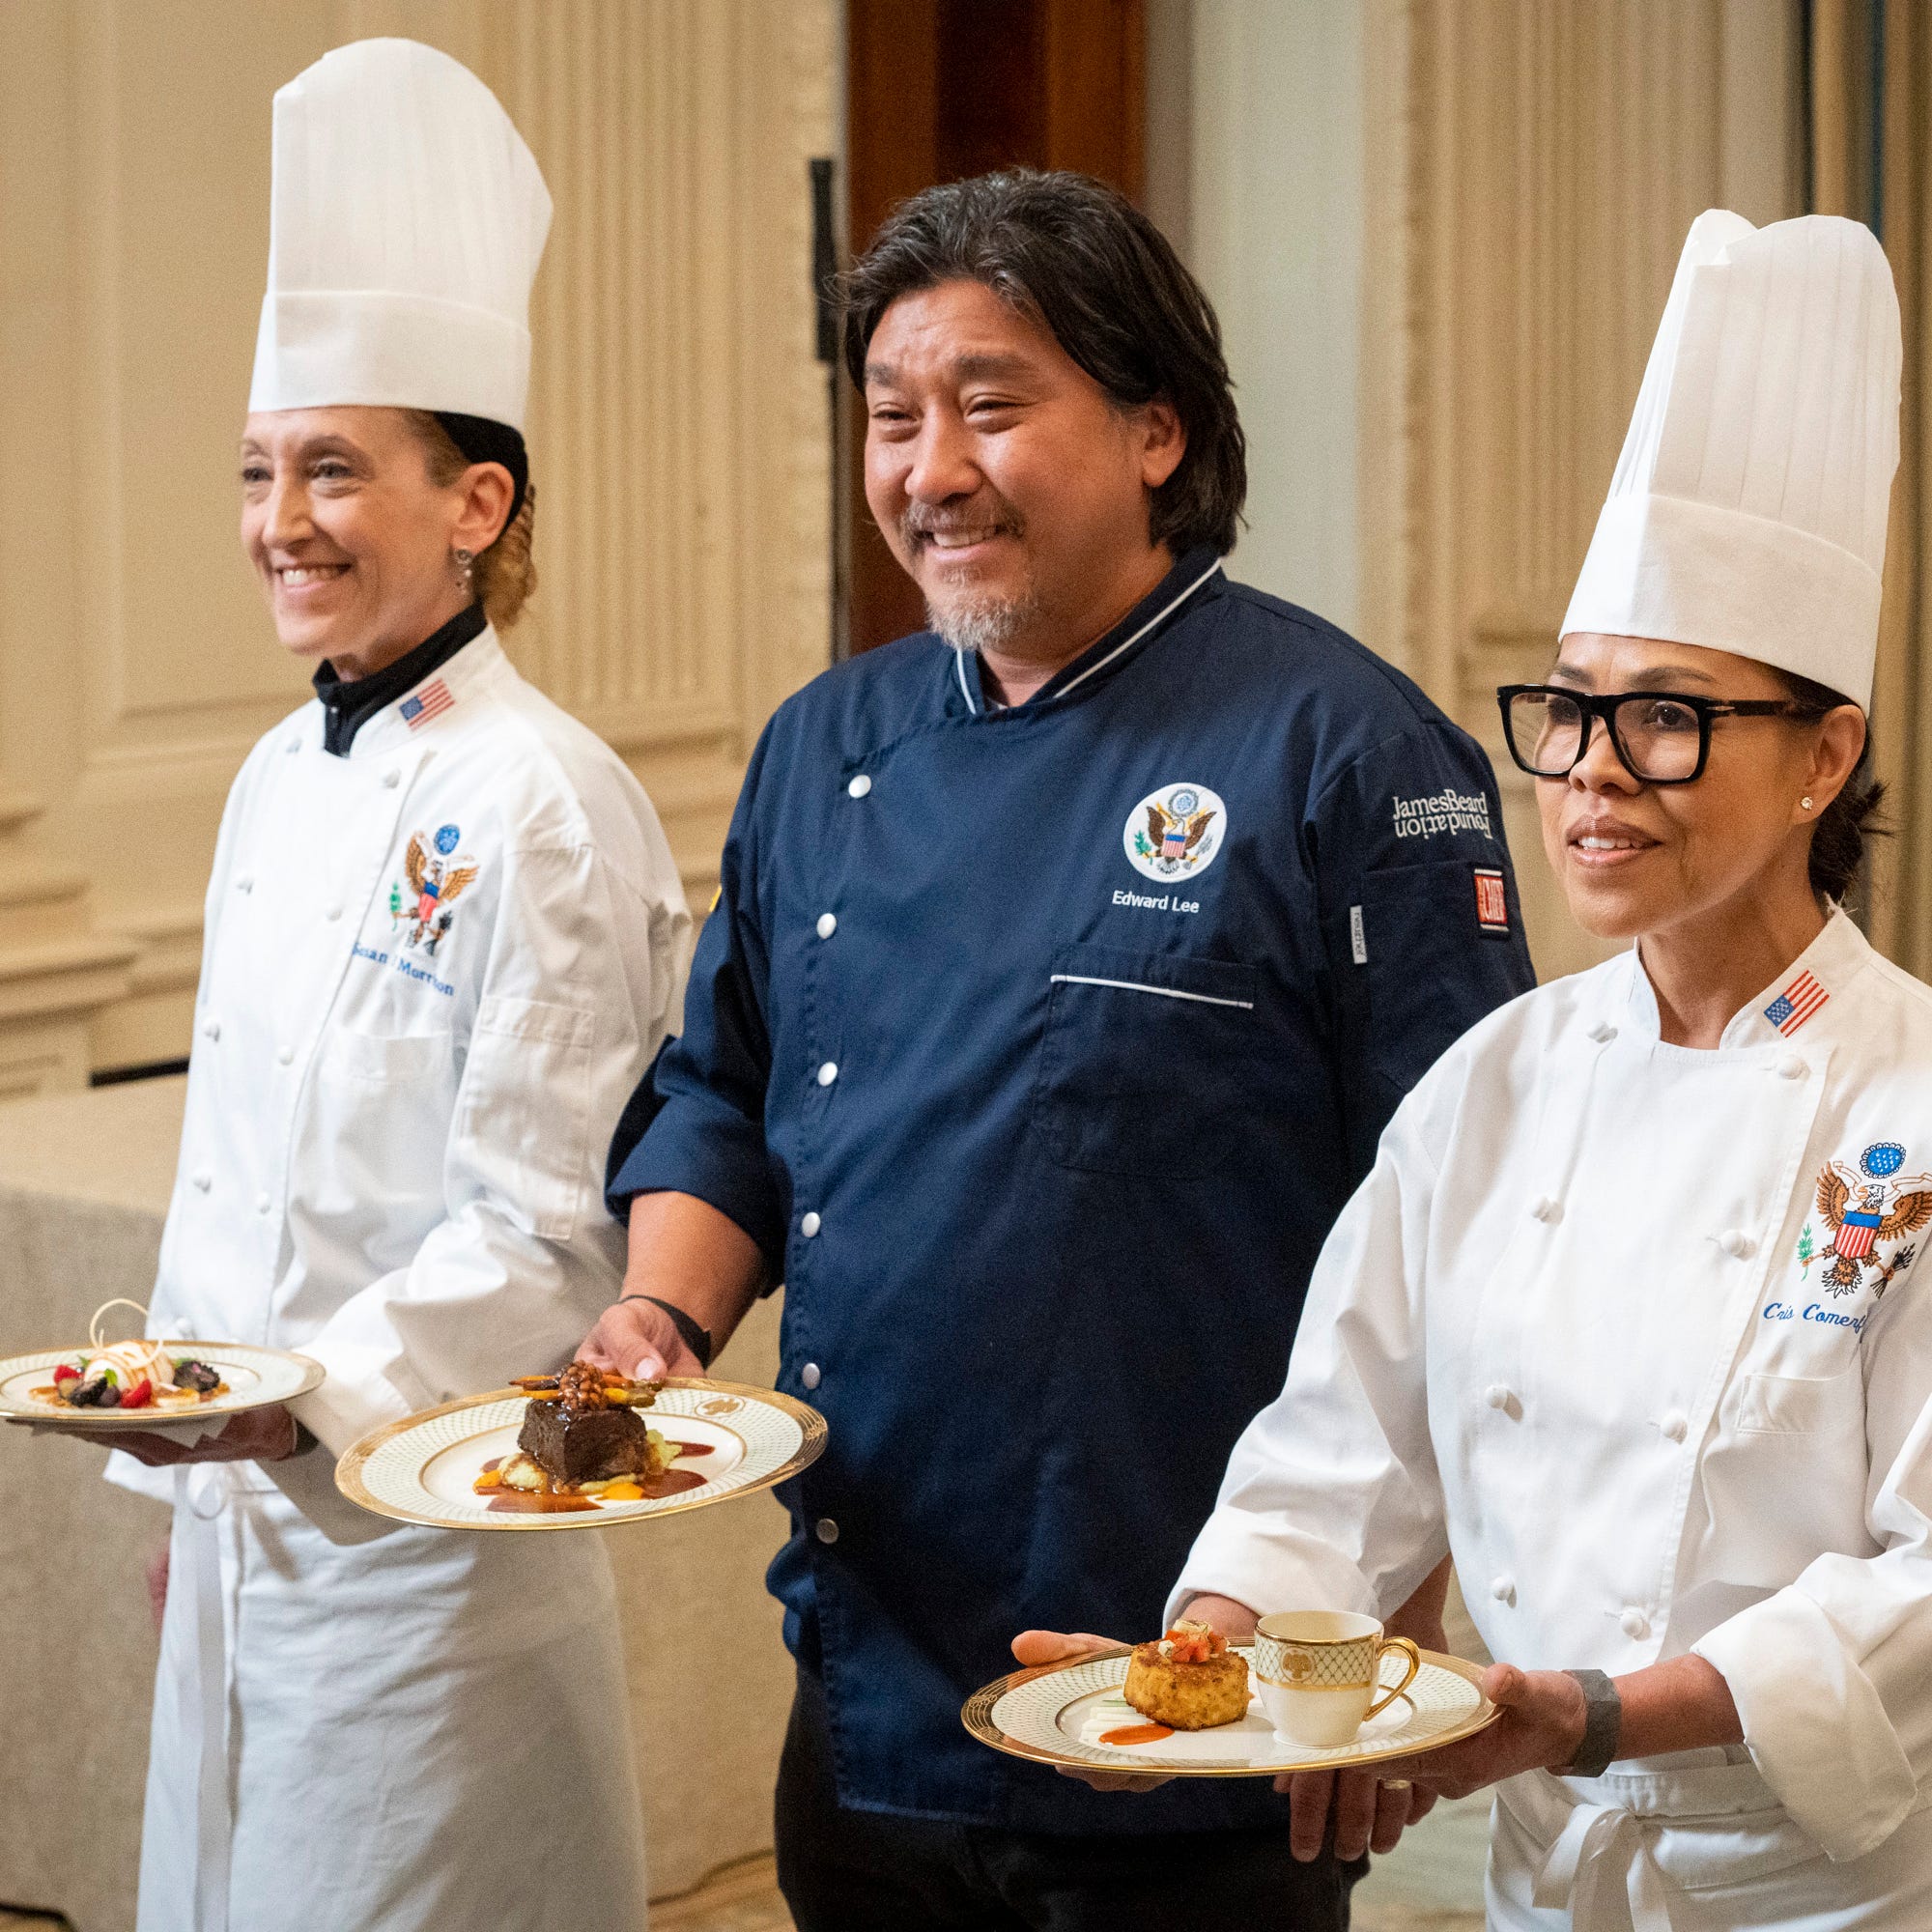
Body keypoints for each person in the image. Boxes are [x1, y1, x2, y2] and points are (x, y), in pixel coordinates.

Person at [582, 170, 1534, 1931]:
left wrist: (1383, 1633)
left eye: (992, 407)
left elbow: (1468, 1231)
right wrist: (659, 1322)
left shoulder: (1345, 752)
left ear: (1157, 430)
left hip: (1196, 1678)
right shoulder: (825, 745)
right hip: (865, 1681)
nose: (930, 471)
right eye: (892, 418)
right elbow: (723, 1090)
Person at [1038, 210, 1931, 1929]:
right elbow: (1340, 1448)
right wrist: (1197, 1665)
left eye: (1668, 717)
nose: (1590, 775)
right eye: (1569, 709)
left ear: (1826, 756)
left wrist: (1591, 1715)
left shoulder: (1908, 1110)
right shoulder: (1499, 1081)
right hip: (1546, 1878)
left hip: (1825, 1890)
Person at [81, 41, 689, 1932]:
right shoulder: (274, 776)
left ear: (478, 505)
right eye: (262, 472)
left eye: (335, 470)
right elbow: (233, 1175)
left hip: (431, 1569)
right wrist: (178, 1490)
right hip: (240, 1545)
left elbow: (544, 1228)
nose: (282, 520)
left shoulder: (548, 801)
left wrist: (283, 1409)